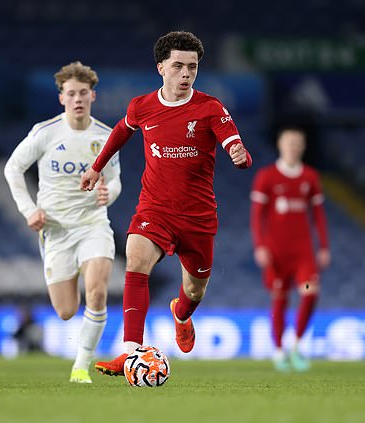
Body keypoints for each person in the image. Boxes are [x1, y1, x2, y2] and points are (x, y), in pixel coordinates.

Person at [80, 31, 252, 376]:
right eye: (178, 66)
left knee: (194, 289)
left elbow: (236, 145)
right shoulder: (142, 107)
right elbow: (121, 133)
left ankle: (181, 314)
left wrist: (239, 153)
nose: (186, 73)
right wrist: (96, 167)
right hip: (155, 209)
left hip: (198, 217)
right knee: (136, 259)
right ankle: (130, 352)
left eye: (192, 67)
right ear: (161, 67)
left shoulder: (210, 108)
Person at [4, 61, 121, 384]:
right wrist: (29, 210)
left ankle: (81, 367)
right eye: (71, 93)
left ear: (93, 96)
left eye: (83, 93)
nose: (78, 99)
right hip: (55, 230)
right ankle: (79, 329)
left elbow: (116, 181)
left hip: (93, 224)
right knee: (67, 310)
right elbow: (12, 169)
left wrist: (107, 194)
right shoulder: (46, 133)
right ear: (61, 98)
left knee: (97, 292)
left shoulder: (106, 136)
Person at [250, 126, 330, 372]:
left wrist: (324, 246)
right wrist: (260, 246)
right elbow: (257, 216)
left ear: (303, 147)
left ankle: (295, 345)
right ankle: (278, 351)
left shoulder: (310, 177)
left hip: (302, 254)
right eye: (289, 142)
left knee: (308, 291)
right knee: (280, 298)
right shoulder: (267, 176)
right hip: (276, 253)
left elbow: (318, 215)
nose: (293, 147)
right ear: (281, 145)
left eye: (297, 143)